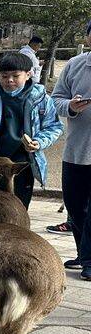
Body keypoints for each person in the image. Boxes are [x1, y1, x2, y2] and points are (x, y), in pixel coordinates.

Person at [0, 51, 63, 208]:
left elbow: (54, 127)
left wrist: (38, 142)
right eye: (4, 76)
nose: (9, 80)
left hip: (23, 165)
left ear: (28, 74)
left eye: (15, 76)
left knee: (18, 213)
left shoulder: (42, 100)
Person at [50, 19, 91, 281]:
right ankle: (83, 252)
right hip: (77, 151)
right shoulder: (76, 65)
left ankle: (89, 260)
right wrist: (71, 108)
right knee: (75, 207)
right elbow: (55, 100)